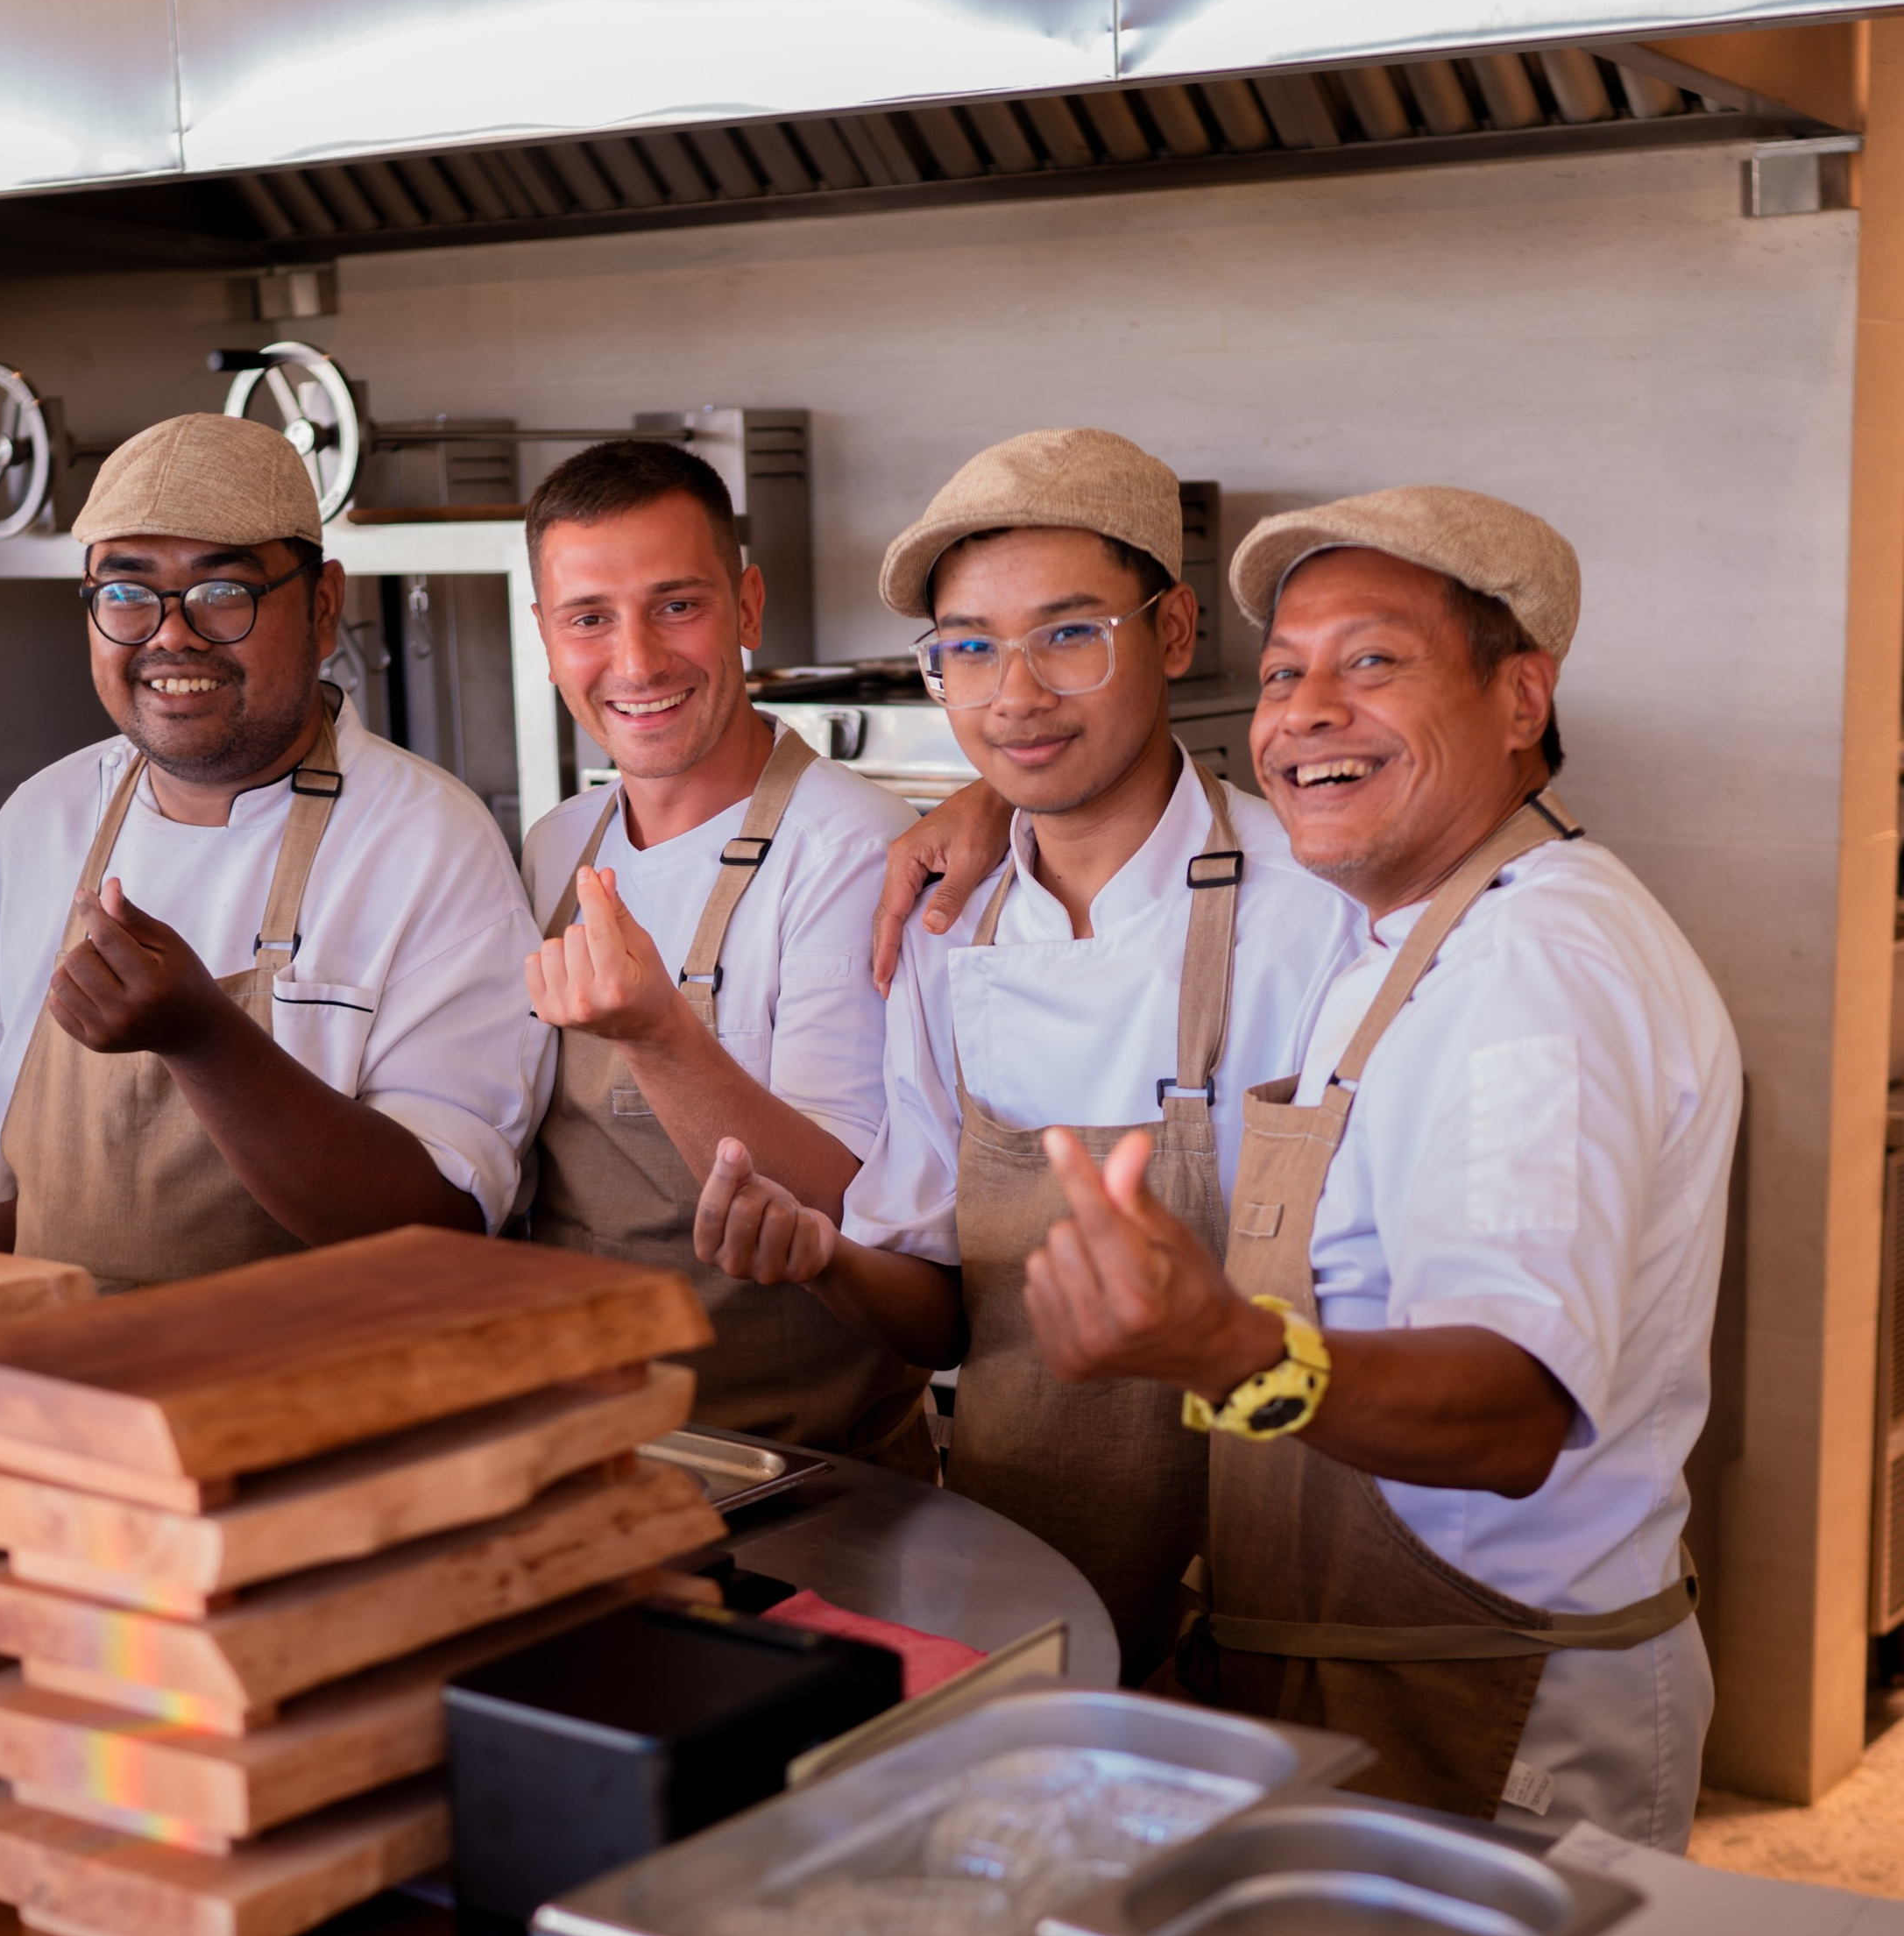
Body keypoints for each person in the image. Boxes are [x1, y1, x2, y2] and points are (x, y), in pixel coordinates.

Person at [1009, 486, 1739, 1847]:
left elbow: (1510, 1411)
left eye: (1373, 663)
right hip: (1364, 1674)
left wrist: (1228, 1346)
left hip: (1497, 1728)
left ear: (1521, 700)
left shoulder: (1536, 971)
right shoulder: (1415, 930)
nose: (1304, 713)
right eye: (1285, 673)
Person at [686, 428, 1354, 1672]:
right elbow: (942, 1320)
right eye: (968, 651)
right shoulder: (948, 926)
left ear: (1171, 634)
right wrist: (825, 1257)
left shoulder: (1316, 910)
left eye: (1068, 635)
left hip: (1284, 1584)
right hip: (1029, 1568)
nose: (1016, 695)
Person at [0, 412, 549, 1289]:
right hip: (62, 1392)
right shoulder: (44, 818)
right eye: (125, 592)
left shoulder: (428, 844)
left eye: (223, 591)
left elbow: (443, 1224)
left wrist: (208, 1043)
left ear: (324, 602)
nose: (170, 634)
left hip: (309, 1400)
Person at [519, 437, 930, 1461]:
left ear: (746, 607)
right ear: (544, 635)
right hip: (596, 1437)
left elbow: (841, 1213)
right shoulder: (555, 844)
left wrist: (659, 1033)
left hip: (805, 1467)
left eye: (677, 604)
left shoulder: (851, 848)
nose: (637, 661)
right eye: (588, 618)